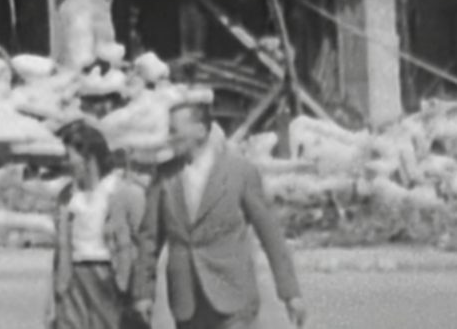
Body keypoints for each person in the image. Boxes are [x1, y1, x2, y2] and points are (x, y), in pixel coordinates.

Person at [132, 93, 306, 328]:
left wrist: (290, 293)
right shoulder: (164, 177)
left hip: (233, 296)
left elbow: (271, 235)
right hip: (187, 302)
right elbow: (149, 240)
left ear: (201, 130)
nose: (169, 138)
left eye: (175, 130)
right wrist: (143, 293)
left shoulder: (239, 172)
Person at [46, 119, 143, 329]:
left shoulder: (121, 192)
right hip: (72, 276)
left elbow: (143, 242)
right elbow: (60, 251)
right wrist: (53, 298)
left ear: (88, 157)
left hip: (108, 275)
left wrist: (139, 291)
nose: (66, 162)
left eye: (69, 156)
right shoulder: (67, 196)